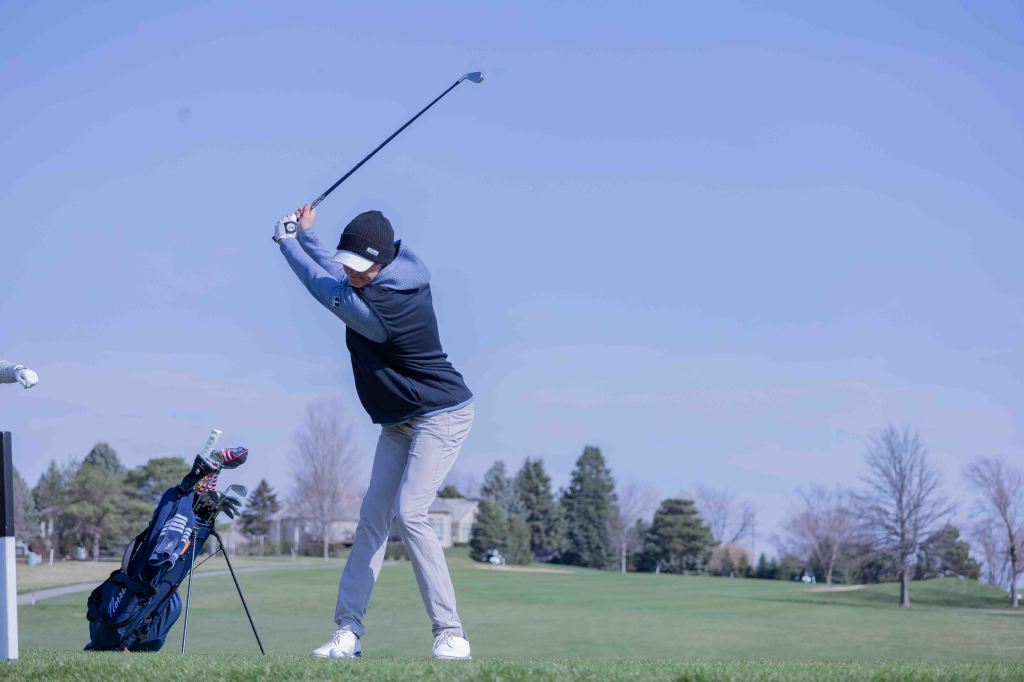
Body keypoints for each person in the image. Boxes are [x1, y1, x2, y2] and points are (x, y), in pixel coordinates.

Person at [275, 204, 475, 660]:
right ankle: (348, 632)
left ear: (382, 264)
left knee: (412, 512)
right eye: (350, 264)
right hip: (399, 421)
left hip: (442, 414)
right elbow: (338, 273)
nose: (353, 273)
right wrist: (306, 235)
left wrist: (286, 243)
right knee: (372, 519)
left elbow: (324, 287)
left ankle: (451, 633)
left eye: (361, 268)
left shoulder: (389, 304)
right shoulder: (379, 276)